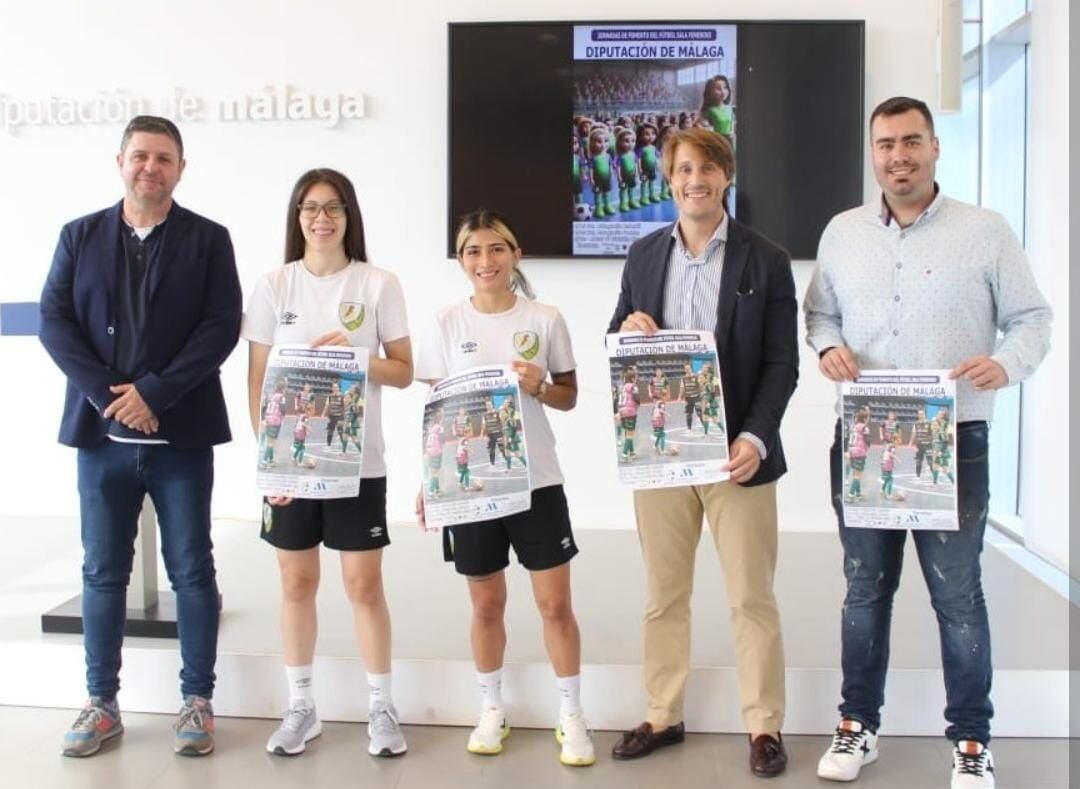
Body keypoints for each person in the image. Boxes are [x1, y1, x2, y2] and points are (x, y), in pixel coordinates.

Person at [805, 96, 1051, 788]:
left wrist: (1006, 364)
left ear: (936, 147)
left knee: (958, 594)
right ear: (872, 152)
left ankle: (971, 738)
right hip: (865, 435)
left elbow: (1033, 317)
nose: (898, 156)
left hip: (954, 437)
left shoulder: (986, 231)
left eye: (911, 141)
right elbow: (819, 311)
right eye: (885, 144)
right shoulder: (843, 232)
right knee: (865, 588)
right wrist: (826, 347)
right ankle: (858, 725)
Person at [39, 115, 241, 757]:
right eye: (140, 156)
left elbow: (220, 327)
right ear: (120, 162)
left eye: (164, 158)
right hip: (102, 439)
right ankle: (101, 703)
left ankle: (197, 702)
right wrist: (111, 397)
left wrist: (153, 393)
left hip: (180, 436)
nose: (150, 167)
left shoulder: (210, 239)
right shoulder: (78, 236)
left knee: (192, 570)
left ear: (181, 168)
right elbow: (55, 321)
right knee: (102, 574)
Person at [607, 127, 798, 778]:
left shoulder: (765, 259)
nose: (696, 178)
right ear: (669, 179)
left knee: (751, 596)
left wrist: (755, 436)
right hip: (662, 454)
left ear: (727, 176)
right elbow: (615, 339)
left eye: (709, 167)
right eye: (685, 168)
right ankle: (663, 714)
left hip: (736, 455)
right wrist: (628, 328)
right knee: (664, 595)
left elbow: (782, 363)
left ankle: (763, 726)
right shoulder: (640, 256)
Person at [415, 209, 595, 767]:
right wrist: (433, 482)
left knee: (554, 604)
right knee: (486, 603)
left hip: (537, 481)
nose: (484, 261)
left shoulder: (544, 318)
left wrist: (540, 383)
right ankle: (491, 707)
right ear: (461, 259)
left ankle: (571, 714)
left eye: (496, 249)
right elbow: (437, 414)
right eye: (472, 250)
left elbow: (568, 395)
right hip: (474, 488)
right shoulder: (446, 323)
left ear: (515, 255)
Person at [242, 168, 413, 758]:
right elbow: (258, 380)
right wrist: (271, 466)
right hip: (292, 466)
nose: (322, 218)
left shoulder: (377, 284)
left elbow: (404, 370)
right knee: (296, 582)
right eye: (311, 207)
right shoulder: (273, 286)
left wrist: (361, 358)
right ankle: (301, 706)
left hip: (358, 464)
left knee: (363, 585)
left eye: (333, 208)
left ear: (349, 216)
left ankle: (381, 706)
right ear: (297, 216)